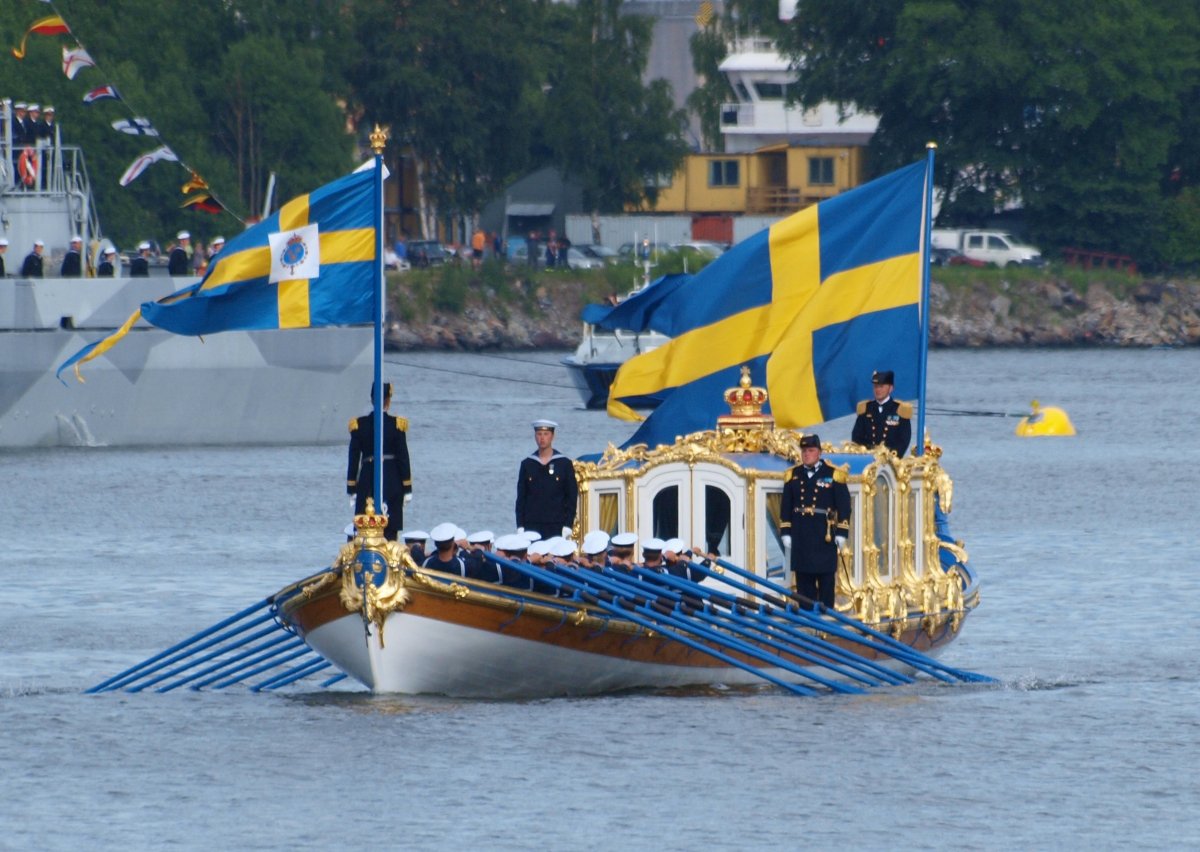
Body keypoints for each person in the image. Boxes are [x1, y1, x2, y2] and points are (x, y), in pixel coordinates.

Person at [780, 433, 851, 609]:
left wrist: (842, 533)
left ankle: (826, 621)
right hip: (801, 535)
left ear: (819, 452)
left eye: (810, 450)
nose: (806, 454)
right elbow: (786, 507)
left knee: (826, 582)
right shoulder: (793, 475)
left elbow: (844, 506)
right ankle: (808, 621)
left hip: (823, 535)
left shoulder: (833, 475)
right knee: (804, 583)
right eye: (804, 451)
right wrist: (785, 532)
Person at [346, 381, 412, 541]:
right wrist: (407, 488)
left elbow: (354, 458)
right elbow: (403, 457)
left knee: (365, 528)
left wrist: (351, 487)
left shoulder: (359, 425)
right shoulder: (396, 425)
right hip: (392, 478)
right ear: (388, 401)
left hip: (367, 478)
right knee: (390, 531)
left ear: (372, 400)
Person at [515, 419, 578, 541]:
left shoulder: (564, 464)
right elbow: (521, 498)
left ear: (552, 436)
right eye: (539, 434)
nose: (542, 438)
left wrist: (568, 525)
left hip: (556, 525)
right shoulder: (527, 464)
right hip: (532, 524)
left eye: (546, 434)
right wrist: (520, 525)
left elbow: (571, 497)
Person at [851, 370, 913, 457]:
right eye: (875, 386)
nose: (878, 390)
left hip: (891, 460)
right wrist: (866, 452)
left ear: (890, 388)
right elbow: (856, 438)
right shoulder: (865, 409)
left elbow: (903, 440)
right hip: (867, 458)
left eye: (881, 386)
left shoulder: (900, 410)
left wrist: (891, 456)